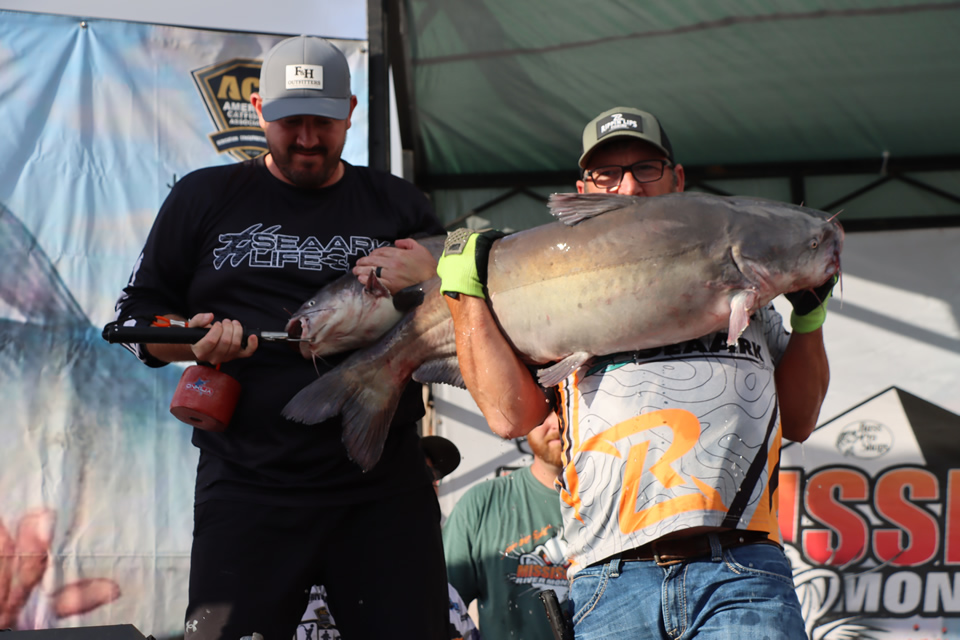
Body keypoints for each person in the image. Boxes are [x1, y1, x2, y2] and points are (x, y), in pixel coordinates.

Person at [435, 106, 837, 639]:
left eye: (646, 167)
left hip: (740, 567)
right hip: (612, 576)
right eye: (607, 173)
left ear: (677, 179)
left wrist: (809, 318)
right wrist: (463, 295)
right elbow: (510, 416)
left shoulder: (751, 294)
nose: (629, 185)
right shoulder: (558, 297)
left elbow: (802, 419)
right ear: (584, 189)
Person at [113, 35, 448, 640]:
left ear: (351, 110)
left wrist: (435, 277)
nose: (307, 139)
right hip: (245, 493)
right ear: (259, 105)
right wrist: (192, 341)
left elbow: (457, 318)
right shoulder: (202, 197)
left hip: (383, 493)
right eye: (291, 121)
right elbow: (138, 318)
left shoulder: (398, 202)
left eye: (323, 121)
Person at [296, 435, 480, 640]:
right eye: (412, 477)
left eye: (431, 477)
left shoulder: (444, 595)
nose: (426, 489)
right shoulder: (295, 588)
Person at [442, 411, 568, 640]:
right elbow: (444, 610)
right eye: (543, 412)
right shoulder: (481, 504)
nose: (556, 423)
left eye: (564, 408)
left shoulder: (617, 500)